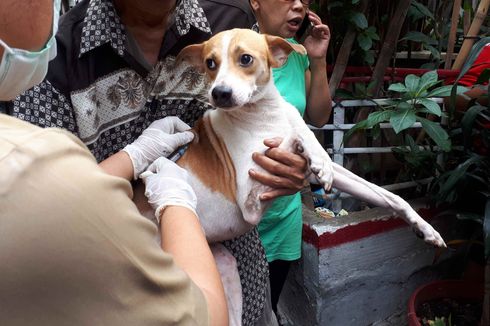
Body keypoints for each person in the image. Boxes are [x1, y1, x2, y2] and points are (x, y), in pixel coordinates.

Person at [4, 0, 309, 324]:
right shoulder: (55, 51)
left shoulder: (228, 20)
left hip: (242, 275)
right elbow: (41, 203)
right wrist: (132, 160)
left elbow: (263, 114)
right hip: (125, 288)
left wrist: (293, 167)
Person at [250, 0, 332, 315]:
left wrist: (318, 60)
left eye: (305, 1)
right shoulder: (234, 50)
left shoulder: (298, 55)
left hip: (283, 215)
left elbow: (320, 116)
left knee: (267, 308)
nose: (299, 5)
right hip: (241, 216)